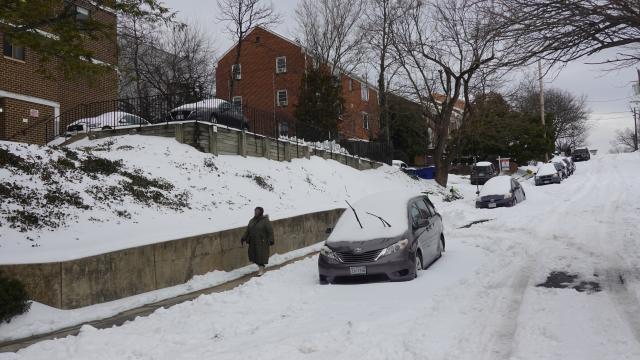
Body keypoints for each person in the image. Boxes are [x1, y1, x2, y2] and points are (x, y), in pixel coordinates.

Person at [241, 207, 274, 276]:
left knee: (260, 256)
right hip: (253, 242)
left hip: (262, 242)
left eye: (257, 211)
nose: (256, 212)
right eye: (255, 211)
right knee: (253, 256)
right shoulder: (251, 221)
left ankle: (261, 270)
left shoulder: (265, 221)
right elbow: (248, 230)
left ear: (261, 212)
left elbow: (270, 231)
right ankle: (261, 267)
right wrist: (243, 238)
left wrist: (271, 240)